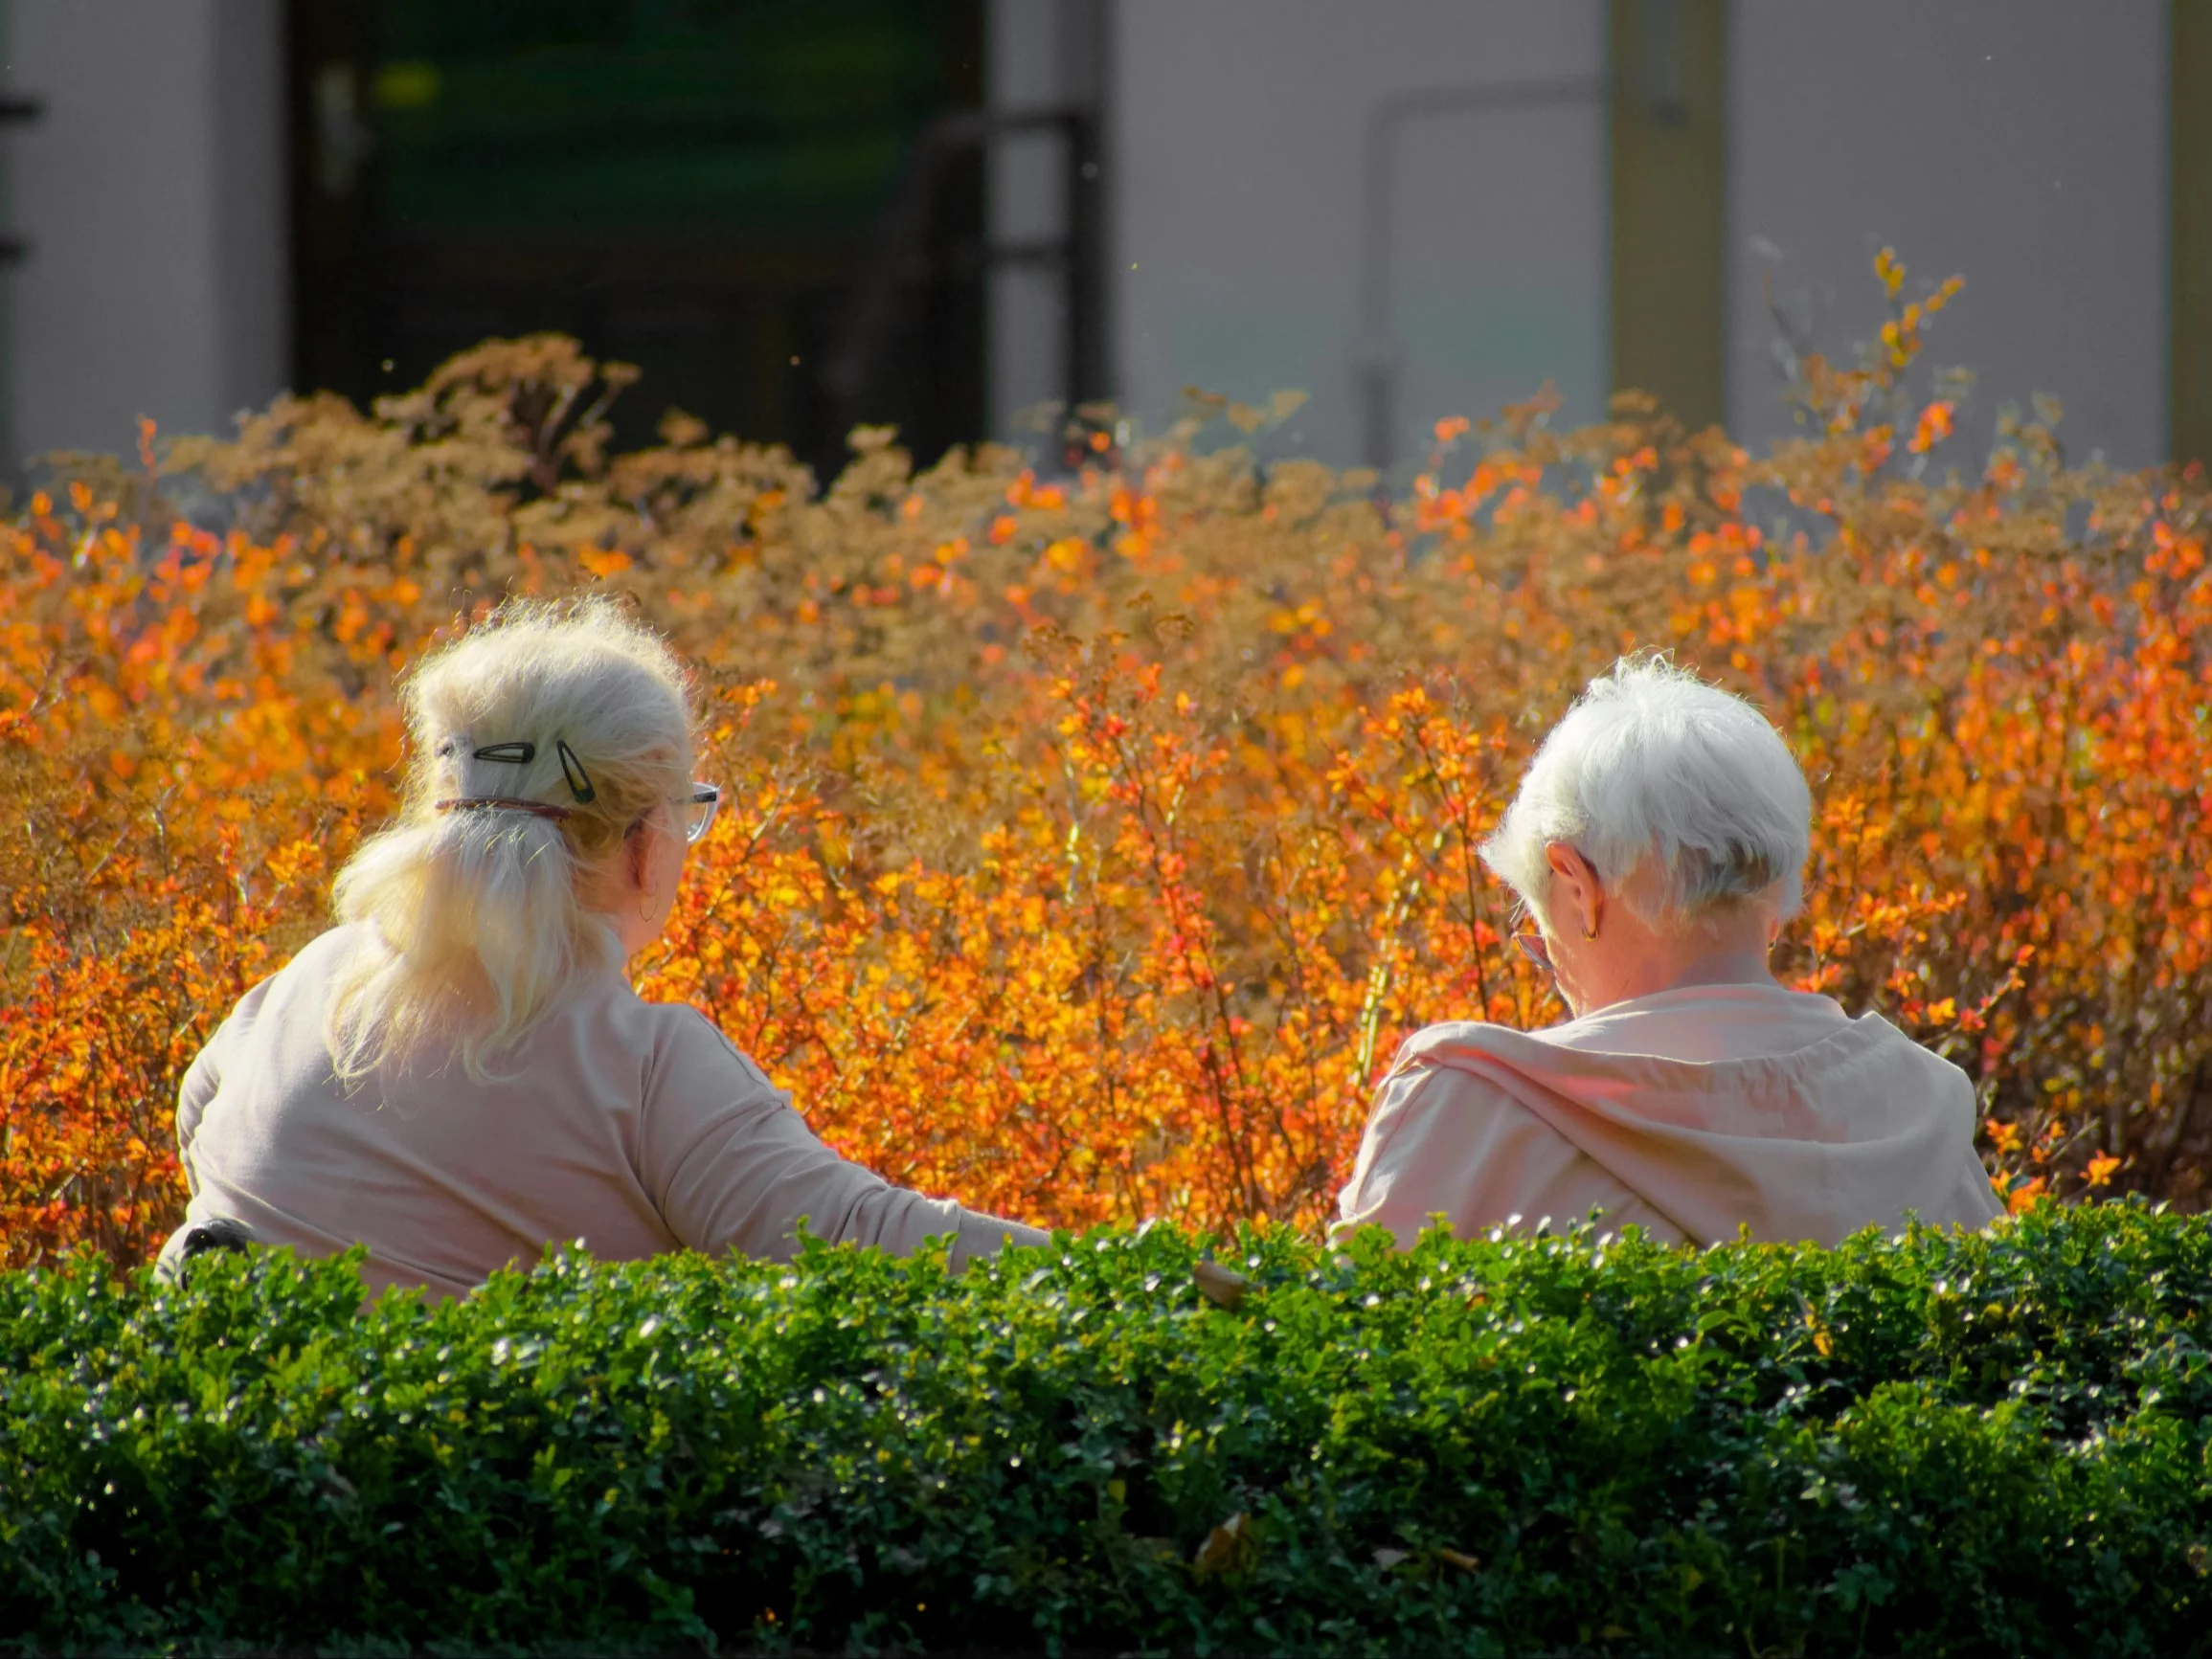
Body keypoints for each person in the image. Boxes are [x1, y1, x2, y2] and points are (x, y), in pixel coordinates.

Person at [156, 597, 1047, 1299]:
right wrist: (1134, 1274)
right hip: (483, 1507)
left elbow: (201, 1125)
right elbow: (858, 1238)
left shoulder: (298, 987)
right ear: (642, 840)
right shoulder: (644, 1067)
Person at [1332, 655, 2004, 1250]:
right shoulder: (1921, 1110)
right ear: (1774, 891)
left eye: (1543, 940)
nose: (1552, 971)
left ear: (1578, 887)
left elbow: (1343, 1361)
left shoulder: (1464, 1111)